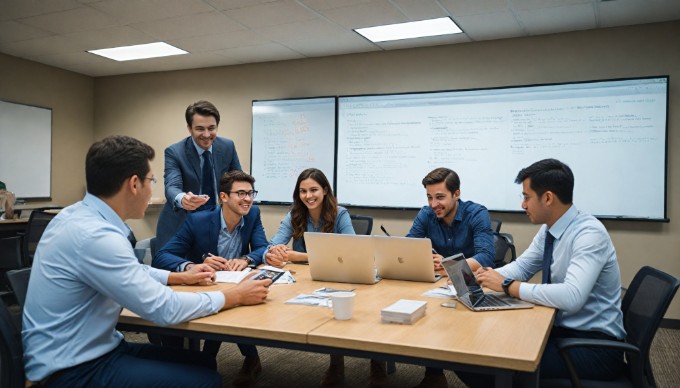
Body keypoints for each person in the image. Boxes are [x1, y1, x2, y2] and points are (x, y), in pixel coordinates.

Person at [22, 135, 271, 387]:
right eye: (151, 180)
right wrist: (235, 296)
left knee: (202, 362)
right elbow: (164, 309)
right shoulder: (97, 236)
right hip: (73, 369)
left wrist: (178, 276)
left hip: (92, 347)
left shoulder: (78, 217)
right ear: (133, 184)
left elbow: (131, 270)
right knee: (205, 380)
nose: (152, 189)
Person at [472, 158, 625, 385]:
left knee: (486, 364)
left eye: (526, 197)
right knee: (486, 346)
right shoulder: (550, 230)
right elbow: (522, 267)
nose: (523, 205)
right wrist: (484, 276)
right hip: (561, 331)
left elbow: (572, 296)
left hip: (593, 348)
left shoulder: (589, 234)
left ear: (548, 198)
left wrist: (507, 285)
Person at [153, 170, 268, 386]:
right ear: (224, 197)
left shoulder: (253, 214)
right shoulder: (198, 221)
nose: (248, 199)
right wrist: (193, 265)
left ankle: (213, 359)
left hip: (235, 282)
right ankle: (242, 358)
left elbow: (262, 247)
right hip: (204, 285)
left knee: (242, 302)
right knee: (230, 306)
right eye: (241, 193)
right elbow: (162, 256)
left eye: (251, 193)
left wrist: (246, 259)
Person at [263, 168, 372, 387]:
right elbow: (272, 246)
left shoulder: (339, 213)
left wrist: (297, 255)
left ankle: (342, 363)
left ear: (324, 190)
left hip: (340, 277)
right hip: (308, 279)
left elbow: (351, 250)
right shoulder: (294, 214)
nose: (308, 196)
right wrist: (272, 254)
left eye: (313, 190)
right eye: (303, 191)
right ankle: (336, 362)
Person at [406, 167, 495, 388]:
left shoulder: (476, 213)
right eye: (429, 197)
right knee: (424, 312)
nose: (433, 204)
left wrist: (449, 265)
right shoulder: (426, 214)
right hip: (438, 287)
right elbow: (408, 246)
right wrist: (421, 257)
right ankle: (434, 375)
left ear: (457, 194)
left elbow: (486, 256)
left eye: (440, 197)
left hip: (470, 286)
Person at [156, 100, 242, 249]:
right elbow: (172, 186)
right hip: (180, 224)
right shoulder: (175, 152)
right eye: (200, 129)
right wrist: (183, 199)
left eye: (211, 128)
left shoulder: (228, 146)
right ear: (189, 128)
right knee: (178, 268)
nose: (207, 135)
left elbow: (238, 180)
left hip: (214, 222)